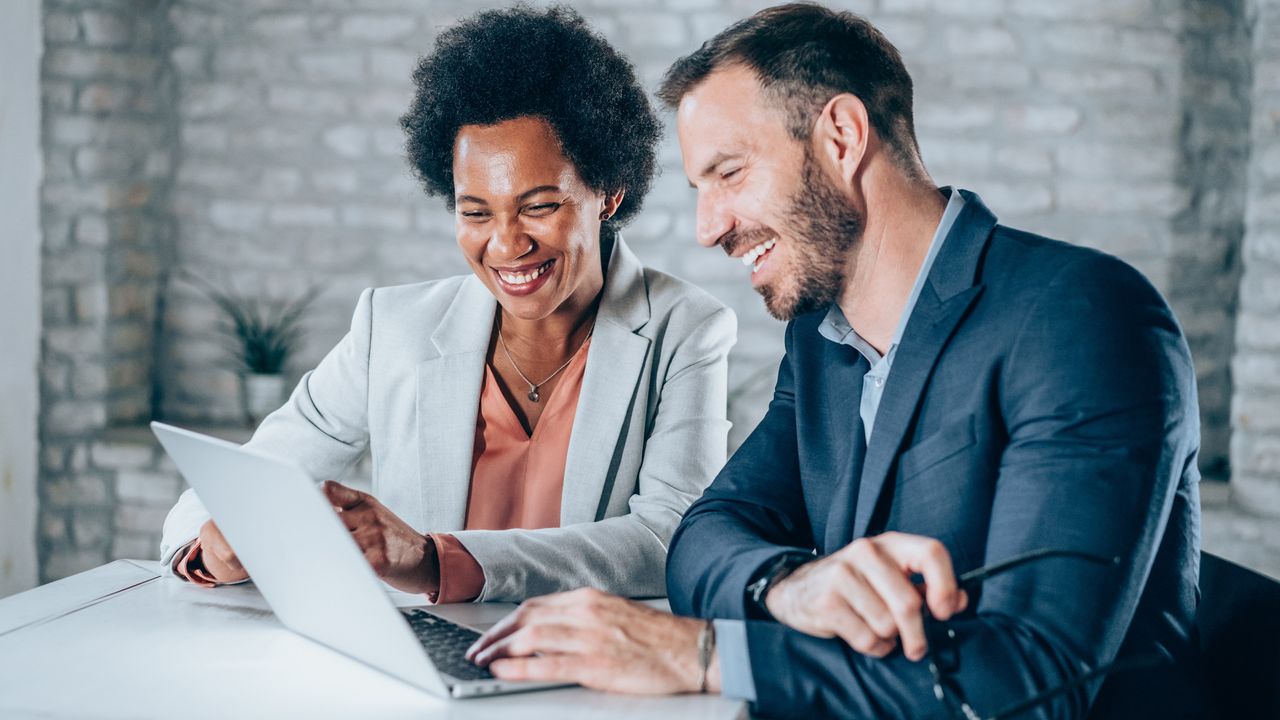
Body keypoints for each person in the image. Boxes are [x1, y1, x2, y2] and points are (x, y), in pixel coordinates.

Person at [464, 4, 1205, 718]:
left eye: (728, 173)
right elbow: (705, 535)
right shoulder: (822, 339)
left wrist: (700, 655)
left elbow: (1024, 684)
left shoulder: (1083, 317)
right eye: (699, 189)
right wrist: (784, 585)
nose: (707, 227)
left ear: (842, 136)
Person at [158, 5, 735, 604]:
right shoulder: (393, 329)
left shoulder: (685, 330)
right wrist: (214, 549)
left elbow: (670, 539)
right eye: (476, 212)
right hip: (425, 663)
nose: (507, 244)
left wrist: (436, 562)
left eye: (539, 206)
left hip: (583, 672)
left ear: (608, 193)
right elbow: (230, 488)